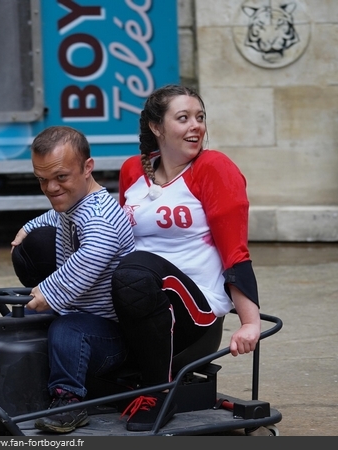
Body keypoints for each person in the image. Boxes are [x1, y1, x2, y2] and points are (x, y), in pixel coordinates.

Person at [0, 126, 135, 434]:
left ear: (87, 168)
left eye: (60, 177)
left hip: (113, 333)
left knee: (66, 329)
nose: (51, 187)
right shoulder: (76, 203)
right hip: (82, 315)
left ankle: (68, 402)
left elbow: (92, 254)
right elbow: (55, 216)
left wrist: (49, 291)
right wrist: (28, 227)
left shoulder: (100, 216)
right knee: (27, 318)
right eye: (42, 179)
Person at [110, 84, 262, 432]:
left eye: (200, 117)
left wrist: (250, 322)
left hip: (198, 313)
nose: (196, 126)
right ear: (156, 127)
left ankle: (158, 390)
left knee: (135, 271)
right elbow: (118, 238)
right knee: (39, 251)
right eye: (183, 118)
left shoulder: (213, 167)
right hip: (140, 299)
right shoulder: (134, 170)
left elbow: (235, 250)